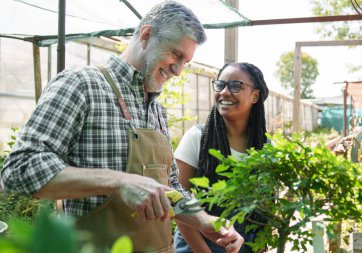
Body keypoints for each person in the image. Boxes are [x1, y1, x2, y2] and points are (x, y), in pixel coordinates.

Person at [0, 1, 244, 252]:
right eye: (176, 54)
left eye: (186, 62)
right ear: (146, 35)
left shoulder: (156, 110)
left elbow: (169, 187)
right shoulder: (82, 85)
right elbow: (18, 170)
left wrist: (204, 222)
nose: (179, 70)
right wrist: (118, 181)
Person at [173, 62, 269, 253]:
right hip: (196, 247)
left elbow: (265, 211)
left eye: (235, 86)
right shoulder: (197, 138)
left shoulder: (266, 149)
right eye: (220, 85)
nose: (224, 92)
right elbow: (177, 202)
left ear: (255, 96)